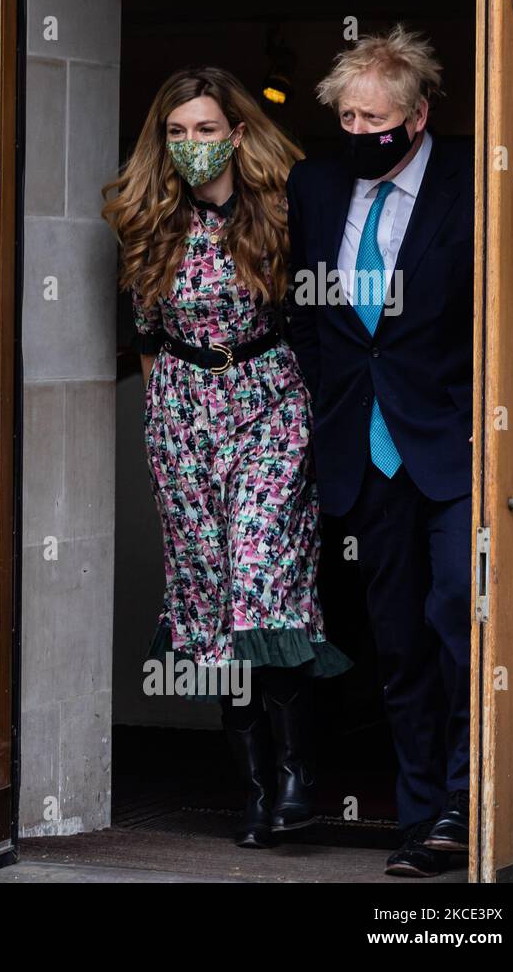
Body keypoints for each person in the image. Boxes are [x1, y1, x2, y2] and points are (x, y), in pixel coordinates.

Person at [103, 67, 352, 849]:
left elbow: (316, 317)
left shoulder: (281, 210)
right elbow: (145, 336)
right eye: (177, 133)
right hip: (181, 414)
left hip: (269, 403)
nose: (191, 146)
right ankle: (252, 790)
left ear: (236, 134)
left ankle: (296, 777)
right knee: (209, 605)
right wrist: (166, 421)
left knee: (261, 581)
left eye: (205, 130)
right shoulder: (150, 219)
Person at [285, 26, 472, 877]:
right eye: (348, 117)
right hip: (364, 449)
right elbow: (313, 323)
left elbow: (504, 308)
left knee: (458, 621)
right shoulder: (317, 186)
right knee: (397, 643)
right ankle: (424, 817)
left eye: (377, 118)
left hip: (457, 446)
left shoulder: (473, 179)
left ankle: (475, 806)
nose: (361, 132)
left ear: (420, 114)